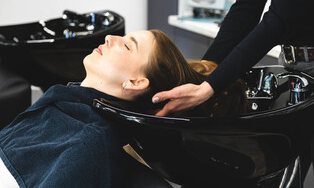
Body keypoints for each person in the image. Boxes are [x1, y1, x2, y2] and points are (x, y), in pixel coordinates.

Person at [152, 0, 314, 187]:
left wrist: (209, 87)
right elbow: (247, 6)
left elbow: (280, 19)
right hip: (294, 69)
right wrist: (202, 74)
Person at [0, 29, 247, 188]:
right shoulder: (62, 110)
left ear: (136, 83)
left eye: (128, 45)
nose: (110, 38)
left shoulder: (87, 144)